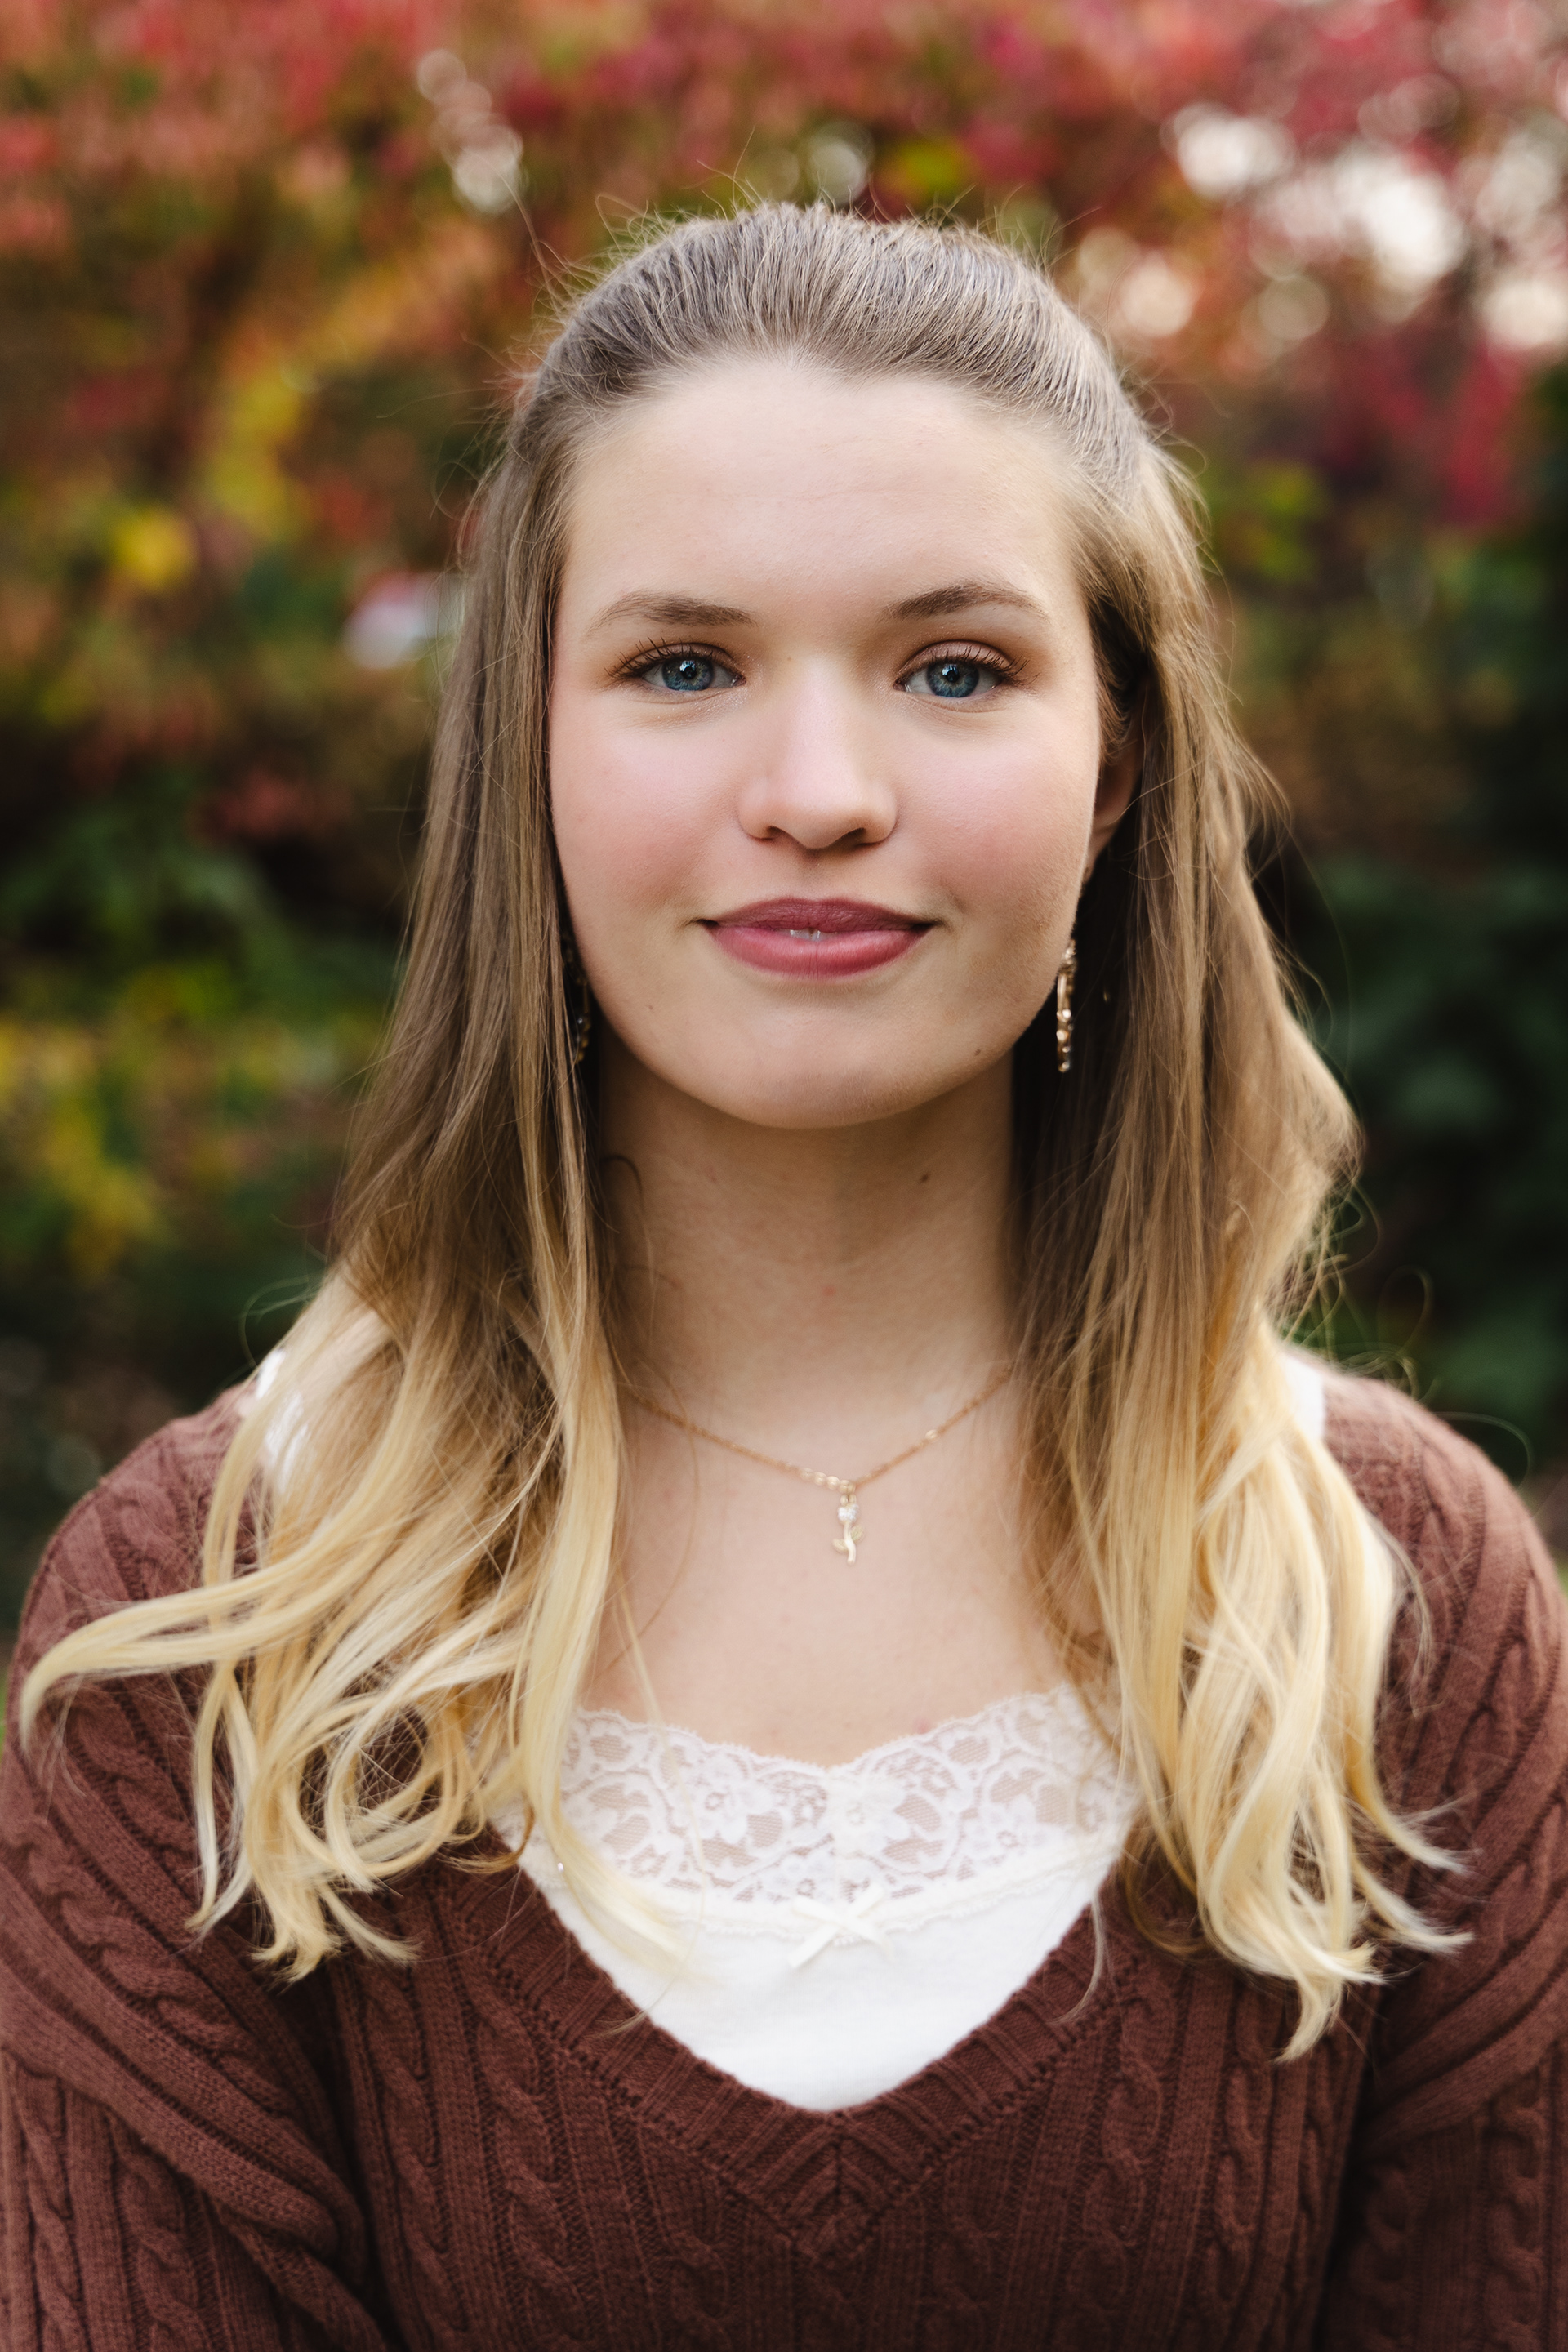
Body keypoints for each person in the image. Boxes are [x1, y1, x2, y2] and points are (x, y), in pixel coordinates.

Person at [2, 203, 1565, 2350]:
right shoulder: (208, 1632)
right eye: (684, 667)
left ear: (1115, 762)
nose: (819, 796)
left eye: (954, 669)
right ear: (528, 750)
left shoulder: (1399, 1602)